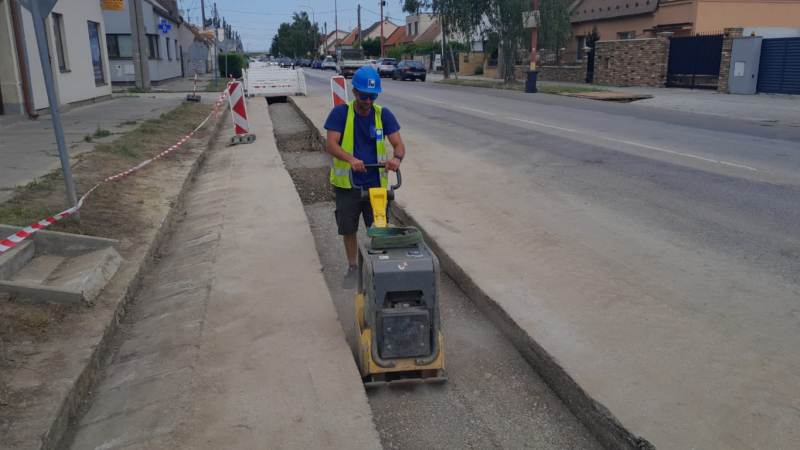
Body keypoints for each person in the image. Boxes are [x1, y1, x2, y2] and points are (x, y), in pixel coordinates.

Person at [324, 66, 406, 288]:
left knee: (379, 229)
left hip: (376, 186)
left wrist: (396, 158)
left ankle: (378, 266)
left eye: (373, 96)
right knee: (348, 228)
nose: (369, 101)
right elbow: (331, 145)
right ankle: (353, 267)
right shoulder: (340, 114)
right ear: (354, 92)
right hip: (347, 185)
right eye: (364, 96)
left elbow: (398, 144)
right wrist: (351, 159)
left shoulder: (383, 114)